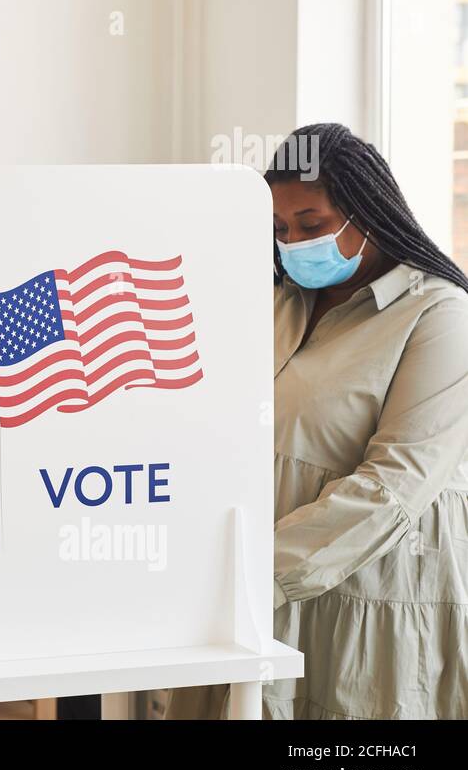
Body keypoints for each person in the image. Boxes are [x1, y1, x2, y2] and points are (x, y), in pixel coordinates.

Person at [166, 123, 468, 719]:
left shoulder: (438, 316)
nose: (294, 242)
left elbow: (396, 485)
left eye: (312, 225)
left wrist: (253, 572)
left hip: (368, 586)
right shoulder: (276, 302)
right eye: (280, 230)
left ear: (369, 214)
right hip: (252, 583)